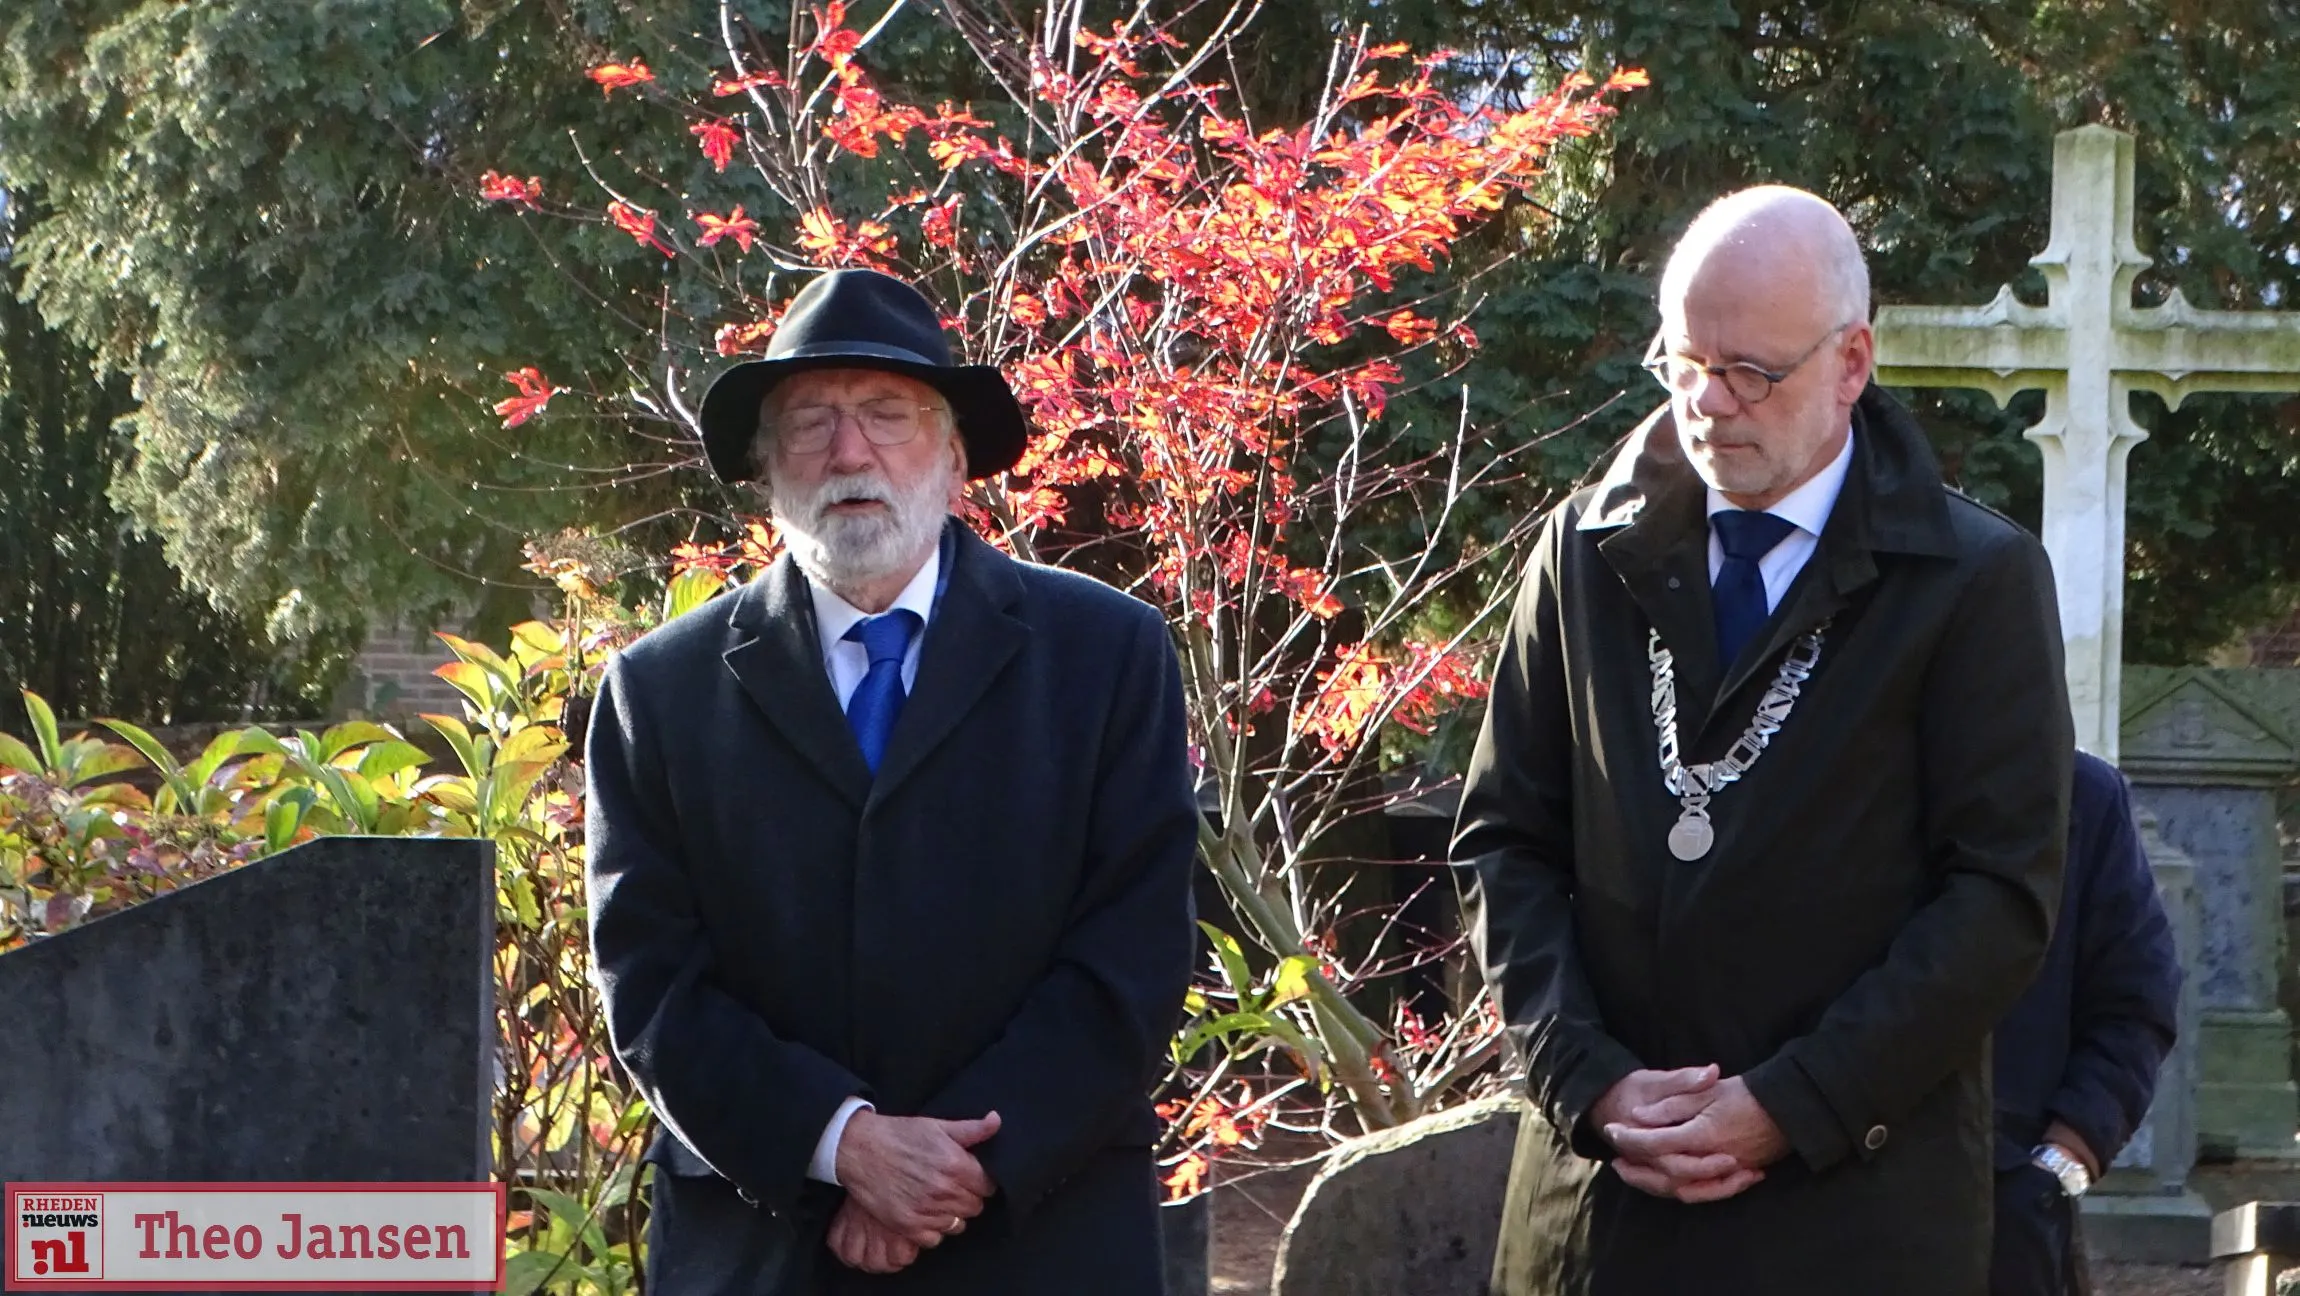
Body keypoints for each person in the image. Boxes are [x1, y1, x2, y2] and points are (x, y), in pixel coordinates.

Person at [1450, 185, 2074, 1295]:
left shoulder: (1970, 581)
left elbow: (1996, 898)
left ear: (1849, 363)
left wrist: (1790, 1104)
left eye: (1750, 372)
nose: (1707, 404)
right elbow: (1505, 841)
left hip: (1848, 1220)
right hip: (1601, 1212)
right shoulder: (1581, 552)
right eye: (1682, 363)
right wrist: (1582, 1076)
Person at [584, 267, 1197, 1295]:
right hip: (767, 1244)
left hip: (1042, 1238)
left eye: (886, 413)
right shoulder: (659, 691)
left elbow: (1132, 953)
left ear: (953, 449)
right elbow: (650, 984)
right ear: (764, 461)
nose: (849, 450)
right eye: (810, 420)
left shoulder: (1105, 656)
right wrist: (842, 1144)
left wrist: (955, 1168)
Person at [1992, 750, 2182, 1296]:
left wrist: (2059, 1162)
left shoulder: (2083, 795)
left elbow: (2136, 1002)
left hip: (2011, 1208)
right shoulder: (1840, 787)